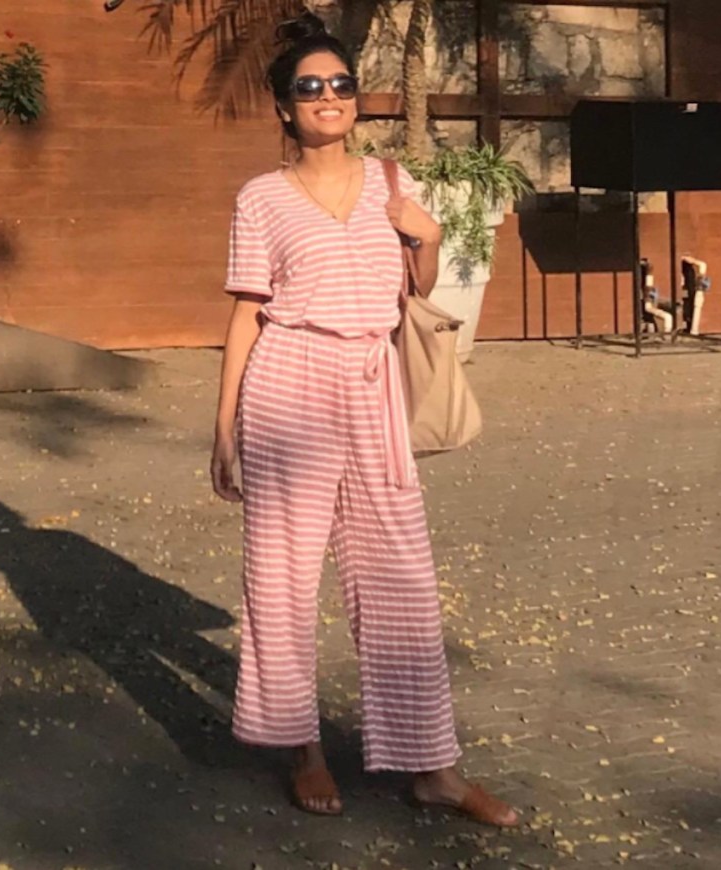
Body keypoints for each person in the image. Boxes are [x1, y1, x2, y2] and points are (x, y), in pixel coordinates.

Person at [210, 13, 519, 827]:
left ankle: (436, 771)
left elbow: (412, 293)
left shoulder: (391, 183)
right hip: (289, 383)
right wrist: (223, 426)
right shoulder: (262, 199)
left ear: (357, 101)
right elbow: (247, 314)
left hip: (373, 379)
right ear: (284, 107)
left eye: (340, 84)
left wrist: (431, 235)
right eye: (309, 87)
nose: (327, 97)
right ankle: (301, 747)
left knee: (402, 578)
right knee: (282, 574)